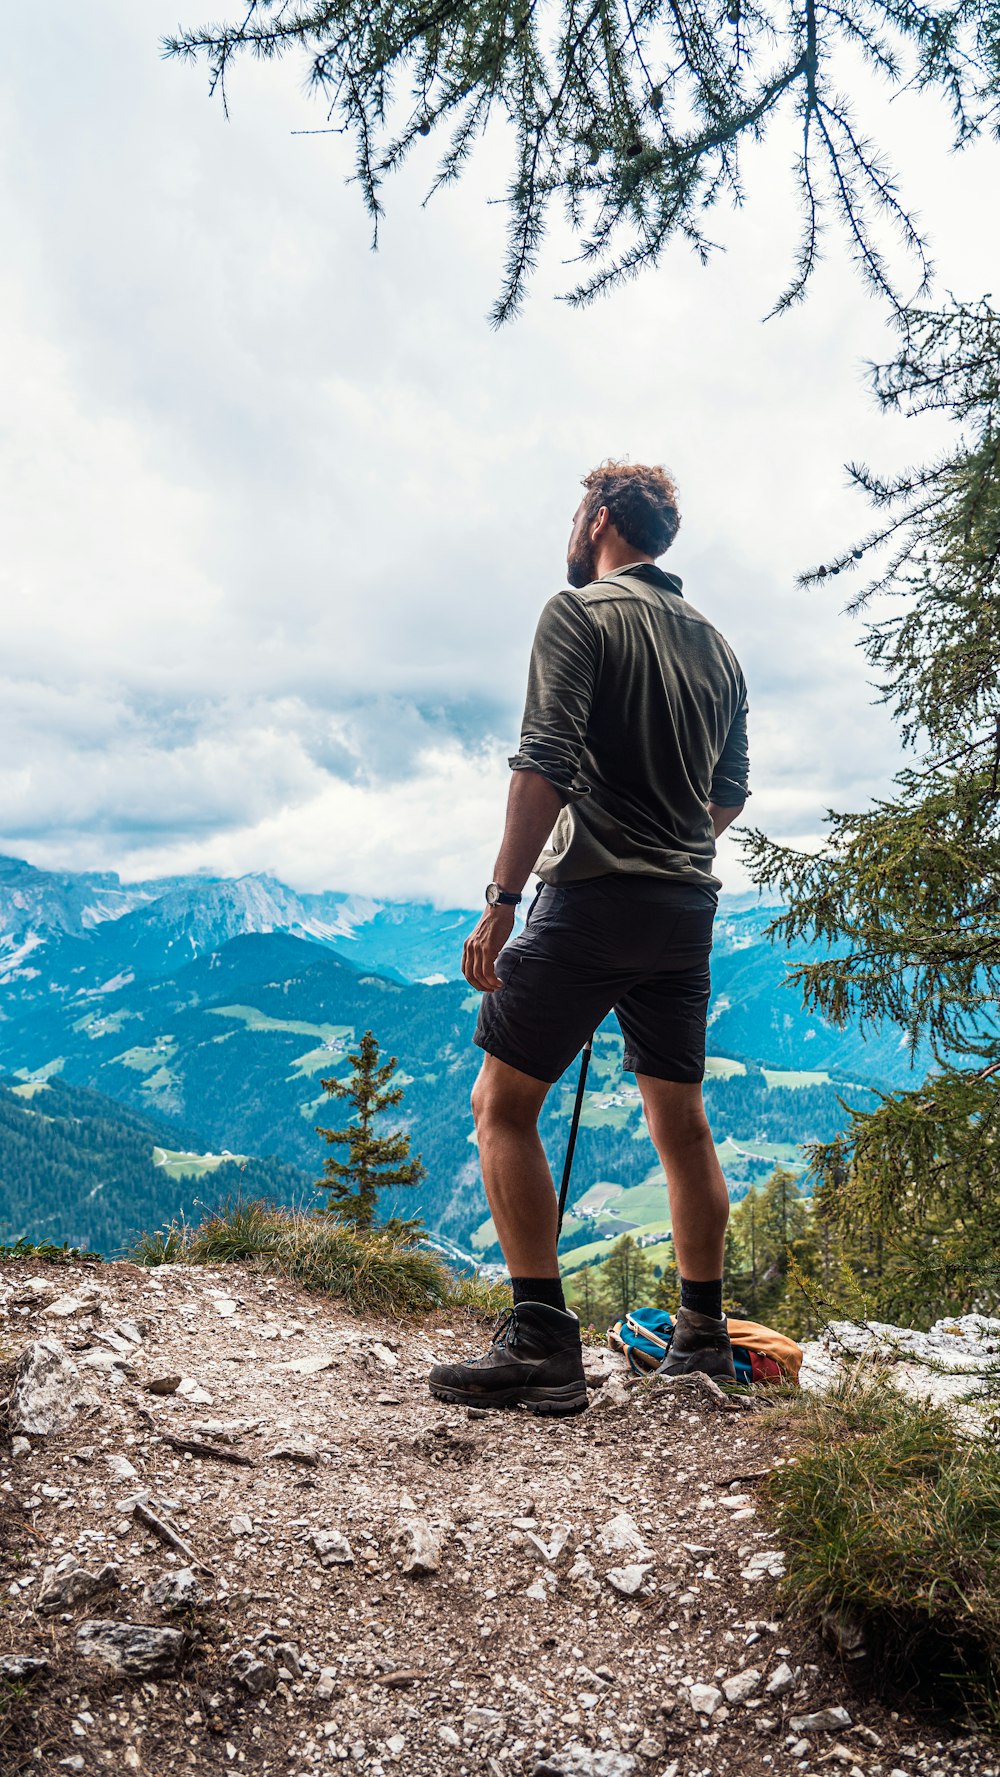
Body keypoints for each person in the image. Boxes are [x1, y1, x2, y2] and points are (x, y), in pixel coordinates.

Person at [428, 460, 750, 1415]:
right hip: (684, 910)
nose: (572, 530)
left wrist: (501, 898)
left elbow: (545, 760)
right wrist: (672, 838)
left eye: (578, 511)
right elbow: (727, 796)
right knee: (680, 1120)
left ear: (602, 518)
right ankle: (703, 1337)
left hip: (592, 898)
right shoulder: (721, 649)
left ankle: (539, 1342)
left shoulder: (580, 614)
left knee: (501, 1104)